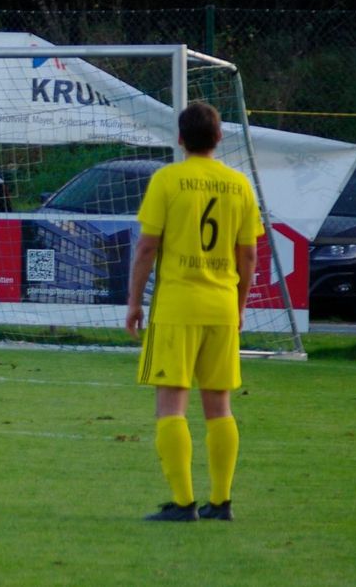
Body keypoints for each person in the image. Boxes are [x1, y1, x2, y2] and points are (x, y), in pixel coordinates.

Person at [125, 101, 263, 522]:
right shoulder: (238, 184)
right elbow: (250, 256)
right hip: (221, 306)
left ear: (180, 139)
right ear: (220, 138)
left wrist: (134, 302)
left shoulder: (167, 180)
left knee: (171, 405)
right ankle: (221, 501)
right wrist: (238, 306)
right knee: (219, 406)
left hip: (177, 307)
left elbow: (148, 247)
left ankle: (184, 503)